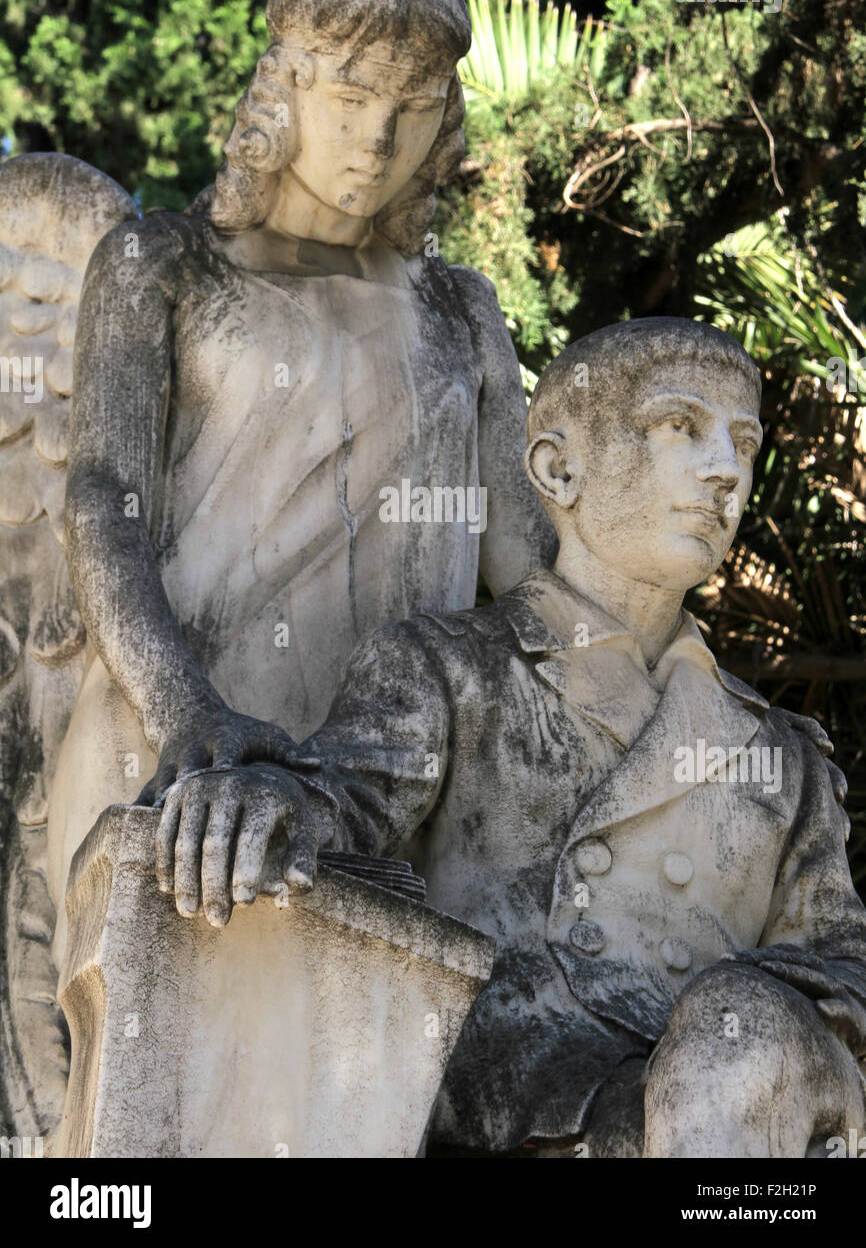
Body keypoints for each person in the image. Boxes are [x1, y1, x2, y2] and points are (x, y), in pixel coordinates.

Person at [156, 317, 866, 1157]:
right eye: (683, 428)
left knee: (739, 1032)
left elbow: (842, 973)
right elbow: (334, 809)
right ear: (559, 469)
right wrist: (264, 797)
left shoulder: (783, 756)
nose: (725, 472)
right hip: (530, 1109)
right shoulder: (451, 667)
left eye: (743, 444)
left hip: (728, 1099)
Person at [46, 0, 554, 956]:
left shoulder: (460, 312)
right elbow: (103, 502)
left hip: (385, 803)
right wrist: (185, 711)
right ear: (282, 87)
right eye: (351, 93)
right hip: (179, 765)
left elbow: (534, 576)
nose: (377, 136)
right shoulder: (164, 263)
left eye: (412, 106)